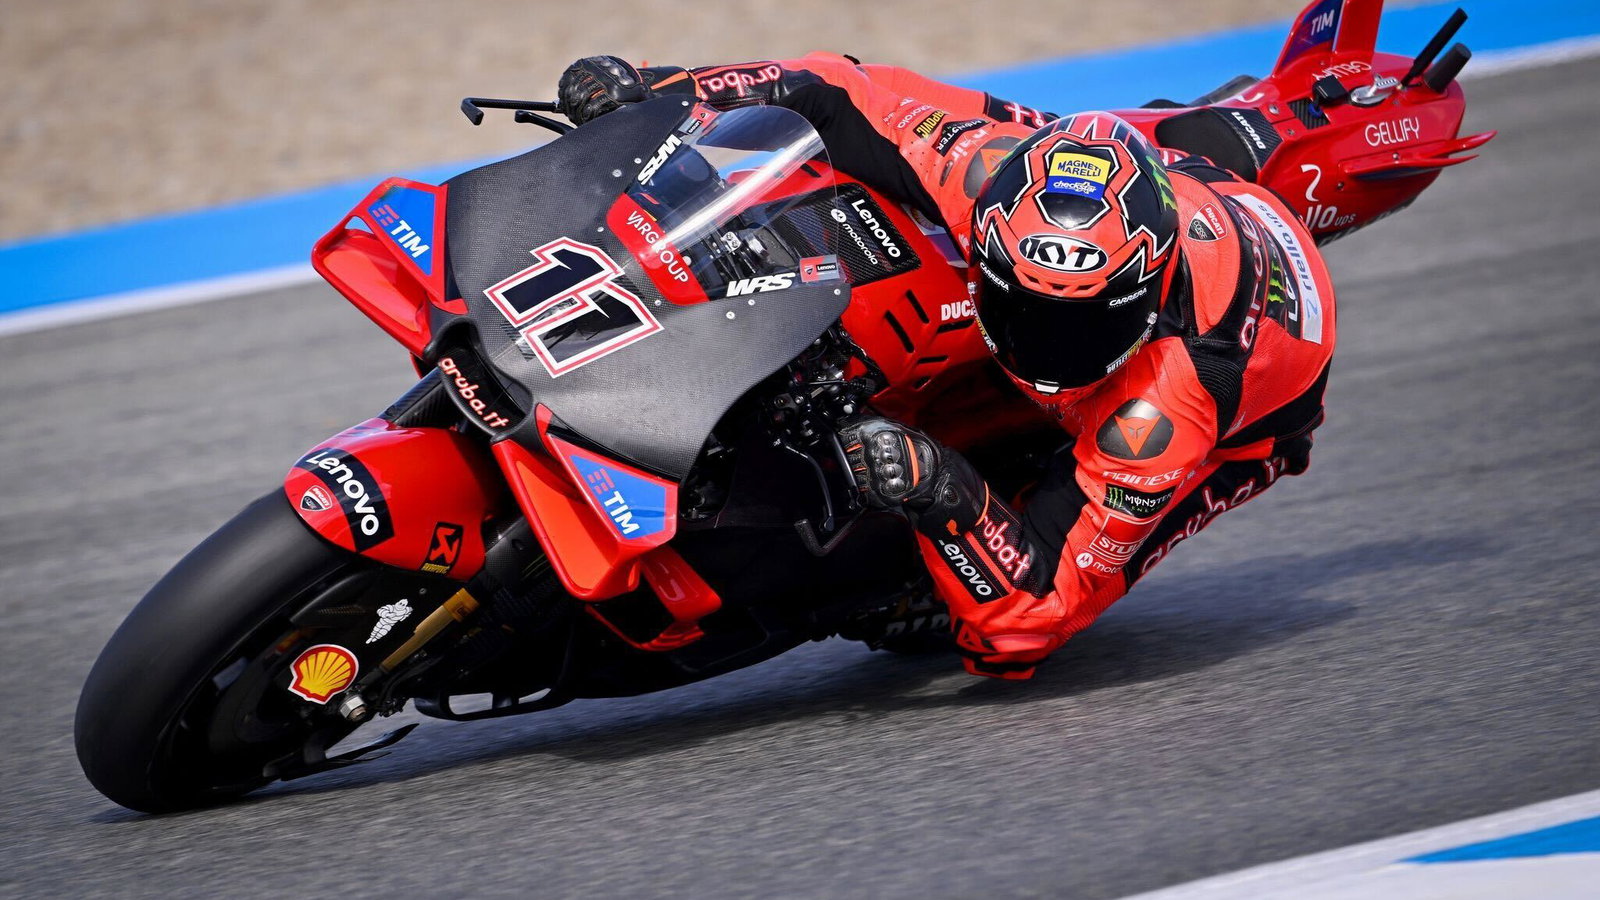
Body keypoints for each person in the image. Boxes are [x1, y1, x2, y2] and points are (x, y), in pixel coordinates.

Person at [557, 54, 1336, 679]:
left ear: (1144, 289)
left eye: (1077, 321)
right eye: (1024, 305)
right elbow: (831, 88)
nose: (1046, 344)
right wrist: (663, 89)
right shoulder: (979, 171)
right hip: (1182, 188)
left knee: (1000, 591)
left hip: (1239, 418)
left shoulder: (1170, 406)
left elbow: (1035, 619)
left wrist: (942, 488)